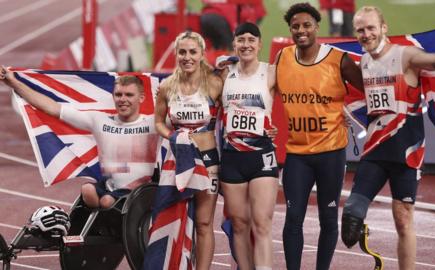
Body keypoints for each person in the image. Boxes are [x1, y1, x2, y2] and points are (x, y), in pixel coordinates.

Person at [340, 6, 435, 270]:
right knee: (352, 214)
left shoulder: (406, 56)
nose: (366, 34)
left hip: (406, 152)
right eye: (360, 30)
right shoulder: (364, 63)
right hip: (375, 151)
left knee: (403, 220)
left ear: (384, 27)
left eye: (370, 28)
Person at [275, 3, 363, 270]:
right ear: (290, 29)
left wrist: (352, 112)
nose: (301, 31)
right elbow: (259, 85)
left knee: (327, 217)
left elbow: (370, 88)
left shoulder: (339, 60)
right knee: (293, 218)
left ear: (317, 27)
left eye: (306, 25)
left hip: (331, 154)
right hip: (297, 156)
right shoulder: (282, 58)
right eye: (295, 26)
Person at [0, 71, 159, 209]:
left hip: (141, 193)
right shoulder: (100, 120)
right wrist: (13, 82)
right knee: (88, 191)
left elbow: (179, 117)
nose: (123, 99)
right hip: (108, 187)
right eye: (118, 94)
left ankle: (109, 220)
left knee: (106, 201)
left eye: (129, 95)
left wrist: (167, 98)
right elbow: (53, 108)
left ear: (142, 98)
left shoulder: (153, 122)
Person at [154, 31, 223, 270]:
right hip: (178, 160)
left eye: (193, 51)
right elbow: (159, 122)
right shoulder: (166, 87)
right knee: (176, 220)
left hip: (208, 161)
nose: (187, 57)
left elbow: (237, 107)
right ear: (176, 54)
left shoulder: (215, 83)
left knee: (204, 223)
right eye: (182, 52)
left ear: (202, 54)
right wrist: (173, 136)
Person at [219, 22, 279, 270]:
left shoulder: (271, 72)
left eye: (251, 40)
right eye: (241, 40)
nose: (246, 45)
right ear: (234, 44)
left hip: (261, 156)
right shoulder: (224, 73)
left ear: (259, 44)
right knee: (240, 224)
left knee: (262, 223)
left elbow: (299, 97)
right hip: (232, 158)